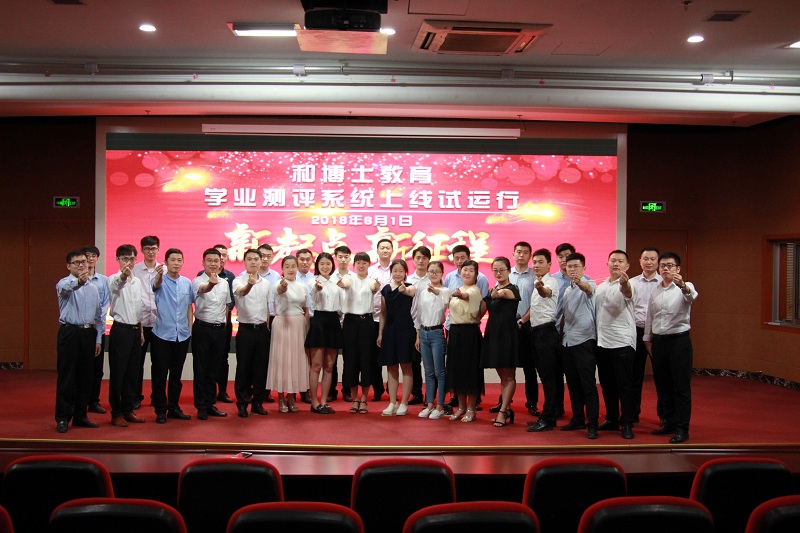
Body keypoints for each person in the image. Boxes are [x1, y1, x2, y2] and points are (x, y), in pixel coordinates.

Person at [644, 252, 698, 444]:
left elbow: (691, 296)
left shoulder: (685, 286)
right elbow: (650, 317)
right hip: (659, 342)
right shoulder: (655, 291)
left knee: (681, 386)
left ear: (678, 268)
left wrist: (682, 284)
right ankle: (669, 422)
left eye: (670, 265)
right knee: (663, 385)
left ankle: (682, 428)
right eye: (663, 266)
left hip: (679, 342)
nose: (665, 268)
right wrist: (647, 339)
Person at [54, 250, 104, 433]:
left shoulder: (93, 288)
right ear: (69, 266)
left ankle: (80, 415)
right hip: (70, 333)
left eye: (84, 262)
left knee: (86, 377)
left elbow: (98, 316)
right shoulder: (64, 283)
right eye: (77, 263)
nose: (82, 265)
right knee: (67, 376)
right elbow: (68, 289)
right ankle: (63, 417)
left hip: (89, 334)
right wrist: (79, 282)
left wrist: (98, 339)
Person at [594, 250, 637, 439]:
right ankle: (612, 418)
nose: (616, 264)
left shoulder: (630, 284)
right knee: (607, 384)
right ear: (607, 264)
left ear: (627, 266)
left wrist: (624, 283)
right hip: (602, 342)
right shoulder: (600, 287)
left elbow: (627, 292)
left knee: (624, 385)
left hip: (622, 343)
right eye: (613, 261)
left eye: (620, 261)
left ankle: (627, 422)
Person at [151, 248, 195, 424]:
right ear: (165, 262)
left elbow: (189, 307)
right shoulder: (159, 279)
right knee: (160, 374)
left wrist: (189, 329)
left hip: (181, 335)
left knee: (176, 375)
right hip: (162, 334)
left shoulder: (186, 283)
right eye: (172, 260)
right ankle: (161, 410)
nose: (176, 263)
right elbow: (155, 284)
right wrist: (159, 274)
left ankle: (174, 407)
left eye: (179, 260)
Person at [443, 245, 489, 410]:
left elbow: (475, 299)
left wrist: (461, 297)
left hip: (470, 332)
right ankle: (461, 407)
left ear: (476, 274)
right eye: (464, 270)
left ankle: (471, 407)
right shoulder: (451, 279)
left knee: (470, 369)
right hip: (454, 330)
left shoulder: (475, 288)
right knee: (456, 369)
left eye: (471, 270)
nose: (467, 272)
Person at [106, 244, 146, 427]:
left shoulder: (137, 282)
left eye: (131, 259)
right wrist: (123, 275)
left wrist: (141, 331)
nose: (128, 262)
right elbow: (118, 284)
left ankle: (128, 410)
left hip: (136, 330)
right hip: (121, 330)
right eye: (125, 259)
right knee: (118, 373)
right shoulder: (113, 279)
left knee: (132, 373)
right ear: (118, 260)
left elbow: (138, 308)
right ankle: (116, 413)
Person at [560, 252, 599, 439]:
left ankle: (593, 424)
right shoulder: (567, 290)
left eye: (576, 266)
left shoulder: (590, 284)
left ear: (584, 268)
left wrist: (579, 281)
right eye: (570, 267)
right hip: (567, 341)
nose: (573, 270)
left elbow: (587, 289)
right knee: (573, 384)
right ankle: (577, 418)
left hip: (584, 341)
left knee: (588, 384)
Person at [266, 256, 310, 413]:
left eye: (293, 266)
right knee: (282, 361)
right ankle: (280, 398)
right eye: (287, 266)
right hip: (283, 325)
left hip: (298, 325)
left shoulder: (303, 287)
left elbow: (306, 309)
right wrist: (283, 286)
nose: (291, 269)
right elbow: (281, 289)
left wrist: (307, 329)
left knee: (296, 361)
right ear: (282, 269)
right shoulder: (278, 284)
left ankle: (291, 397)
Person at [525, 249, 562, 433]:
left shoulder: (550, 282)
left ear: (549, 265)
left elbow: (545, 293)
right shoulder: (537, 281)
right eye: (535, 262)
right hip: (536, 332)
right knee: (544, 376)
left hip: (546, 333)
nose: (537, 265)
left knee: (549, 378)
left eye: (541, 262)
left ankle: (548, 419)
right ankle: (548, 416)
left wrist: (540, 287)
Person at [191, 248, 231, 420]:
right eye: (209, 260)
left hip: (220, 330)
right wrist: (211, 284)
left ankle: (210, 403)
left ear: (220, 263)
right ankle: (200, 406)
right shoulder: (197, 281)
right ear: (203, 263)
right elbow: (203, 289)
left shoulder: (225, 283)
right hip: (203, 329)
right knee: (201, 369)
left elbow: (226, 306)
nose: (213, 264)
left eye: (216, 261)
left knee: (214, 369)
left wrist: (225, 326)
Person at [481, 257, 520, 427]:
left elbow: (505, 294)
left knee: (509, 375)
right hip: (493, 334)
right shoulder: (491, 290)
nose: (498, 273)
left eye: (502, 270)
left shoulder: (512, 289)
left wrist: (498, 293)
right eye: (495, 270)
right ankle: (507, 408)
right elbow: (482, 308)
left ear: (509, 271)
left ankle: (503, 411)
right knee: (502, 375)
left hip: (508, 335)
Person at [232, 249, 271, 418]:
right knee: (243, 368)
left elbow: (267, 307)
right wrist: (250, 284)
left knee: (261, 368)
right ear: (244, 262)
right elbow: (241, 292)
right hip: (245, 330)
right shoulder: (238, 281)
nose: (253, 262)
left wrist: (267, 328)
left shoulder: (266, 283)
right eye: (250, 259)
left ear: (261, 261)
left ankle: (257, 403)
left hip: (262, 330)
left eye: (256, 259)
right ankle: (242, 403)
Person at [340, 252, 380, 414]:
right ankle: (354, 398)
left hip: (367, 323)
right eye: (359, 263)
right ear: (354, 264)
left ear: (369, 265)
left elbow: (375, 288)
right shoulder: (349, 279)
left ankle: (364, 398)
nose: (361, 265)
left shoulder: (372, 281)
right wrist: (342, 284)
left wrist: (376, 287)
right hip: (350, 322)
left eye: (364, 263)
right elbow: (345, 284)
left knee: (366, 360)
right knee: (351, 360)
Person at [377, 259, 417, 416]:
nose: (398, 273)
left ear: (405, 272)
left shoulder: (410, 286)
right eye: (395, 271)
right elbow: (383, 313)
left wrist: (403, 290)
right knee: (391, 366)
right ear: (391, 272)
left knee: (406, 365)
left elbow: (410, 292)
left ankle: (404, 403)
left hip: (406, 330)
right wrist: (380, 333)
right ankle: (392, 402)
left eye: (401, 271)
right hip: (390, 330)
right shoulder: (386, 289)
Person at [305, 252, 344, 414]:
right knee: (316, 366)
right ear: (317, 266)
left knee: (329, 366)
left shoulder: (337, 282)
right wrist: (317, 287)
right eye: (322, 264)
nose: (325, 266)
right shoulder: (313, 281)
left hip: (333, 322)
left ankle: (324, 401)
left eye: (328, 263)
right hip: (319, 322)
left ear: (332, 265)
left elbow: (342, 305)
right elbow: (314, 291)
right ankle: (314, 402)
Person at [413, 260, 450, 419]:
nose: (434, 274)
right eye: (431, 271)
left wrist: (436, 292)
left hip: (437, 333)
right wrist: (418, 335)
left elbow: (446, 303)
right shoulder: (423, 292)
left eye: (437, 271)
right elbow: (418, 314)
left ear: (442, 274)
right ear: (427, 272)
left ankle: (440, 406)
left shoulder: (445, 291)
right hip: (424, 332)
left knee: (439, 372)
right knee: (428, 372)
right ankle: (429, 405)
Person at [630, 247, 662, 423]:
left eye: (652, 259)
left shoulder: (664, 282)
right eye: (645, 259)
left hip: (658, 333)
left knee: (662, 375)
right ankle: (632, 414)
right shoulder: (632, 283)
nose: (649, 262)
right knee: (634, 375)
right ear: (640, 261)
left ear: (658, 262)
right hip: (636, 331)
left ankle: (665, 416)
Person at [201, 244, 236, 405]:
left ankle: (222, 391)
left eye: (223, 255)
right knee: (206, 361)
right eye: (217, 256)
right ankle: (206, 395)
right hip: (206, 323)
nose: (220, 259)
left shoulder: (229, 276)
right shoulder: (201, 276)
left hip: (224, 322)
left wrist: (224, 309)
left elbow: (232, 299)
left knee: (222, 357)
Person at [507, 241, 537, 417]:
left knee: (529, 367)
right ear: (513, 254)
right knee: (507, 366)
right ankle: (504, 402)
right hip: (508, 325)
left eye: (525, 252)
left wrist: (523, 320)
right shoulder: (506, 274)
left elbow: (536, 303)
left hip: (527, 324)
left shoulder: (534, 277)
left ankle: (532, 403)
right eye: (518, 252)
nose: (521, 255)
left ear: (530, 256)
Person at [132, 235, 160, 410]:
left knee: (159, 363)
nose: (151, 252)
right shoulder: (134, 270)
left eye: (154, 248)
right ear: (142, 250)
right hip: (140, 323)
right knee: (137, 363)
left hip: (159, 323)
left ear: (158, 250)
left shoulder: (163, 270)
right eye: (147, 248)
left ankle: (157, 397)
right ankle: (136, 396)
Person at [81, 245, 109, 416]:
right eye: (87, 256)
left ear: (97, 259)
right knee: (81, 368)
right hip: (81, 329)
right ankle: (79, 402)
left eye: (93, 256)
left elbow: (104, 306)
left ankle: (93, 401)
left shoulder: (104, 280)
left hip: (98, 329)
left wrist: (98, 333)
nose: (90, 259)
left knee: (97, 369)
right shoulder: (76, 281)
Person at [367, 238, 394, 401]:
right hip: (373, 318)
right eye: (382, 248)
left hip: (392, 319)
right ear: (377, 251)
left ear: (392, 251)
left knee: (392, 355)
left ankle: (392, 388)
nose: (385, 250)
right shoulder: (370, 271)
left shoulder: (397, 269)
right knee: (373, 358)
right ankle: (377, 389)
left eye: (387, 248)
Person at [256, 244, 282, 403]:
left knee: (270, 356)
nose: (265, 259)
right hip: (257, 320)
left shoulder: (276, 276)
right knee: (256, 357)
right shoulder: (247, 275)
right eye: (262, 255)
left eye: (268, 256)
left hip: (273, 319)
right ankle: (252, 390)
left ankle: (265, 391)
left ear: (272, 258)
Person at [404, 246, 429, 405]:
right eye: (418, 258)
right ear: (413, 260)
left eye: (424, 258)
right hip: (411, 325)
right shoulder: (408, 280)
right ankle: (416, 393)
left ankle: (430, 395)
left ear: (428, 260)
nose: (421, 261)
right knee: (414, 362)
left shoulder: (433, 279)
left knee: (429, 363)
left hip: (428, 324)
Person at [328, 245, 353, 403]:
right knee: (332, 359)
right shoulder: (330, 278)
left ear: (350, 258)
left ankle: (347, 390)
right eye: (340, 257)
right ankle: (331, 391)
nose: (343, 260)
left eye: (346, 257)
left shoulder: (355, 277)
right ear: (335, 258)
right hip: (334, 321)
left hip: (350, 321)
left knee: (349, 358)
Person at [295, 248, 315, 404]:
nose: (305, 262)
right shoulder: (289, 277)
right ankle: (291, 390)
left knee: (308, 357)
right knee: (293, 356)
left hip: (312, 321)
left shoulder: (315, 279)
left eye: (308, 259)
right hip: (293, 320)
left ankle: (305, 390)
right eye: (302, 259)